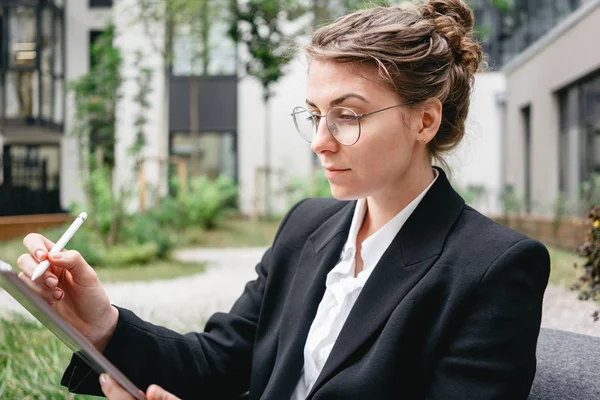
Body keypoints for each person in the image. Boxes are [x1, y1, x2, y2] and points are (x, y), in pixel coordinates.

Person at [17, 1, 550, 399]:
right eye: (316, 113)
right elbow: (221, 362)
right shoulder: (307, 227)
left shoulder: (494, 268)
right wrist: (102, 322)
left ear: (425, 120)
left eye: (349, 114)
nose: (320, 139)